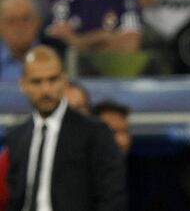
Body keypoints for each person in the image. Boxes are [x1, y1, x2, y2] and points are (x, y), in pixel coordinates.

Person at [4, 46, 127, 211]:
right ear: (23, 84)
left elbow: (111, 198)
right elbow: (14, 198)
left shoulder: (94, 132)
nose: (46, 90)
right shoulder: (16, 136)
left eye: (52, 80)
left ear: (64, 80)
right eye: (37, 81)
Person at [0, 0, 41, 82]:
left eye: (26, 19)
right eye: (11, 21)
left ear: (37, 22)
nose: (19, 27)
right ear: (1, 26)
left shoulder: (55, 57)